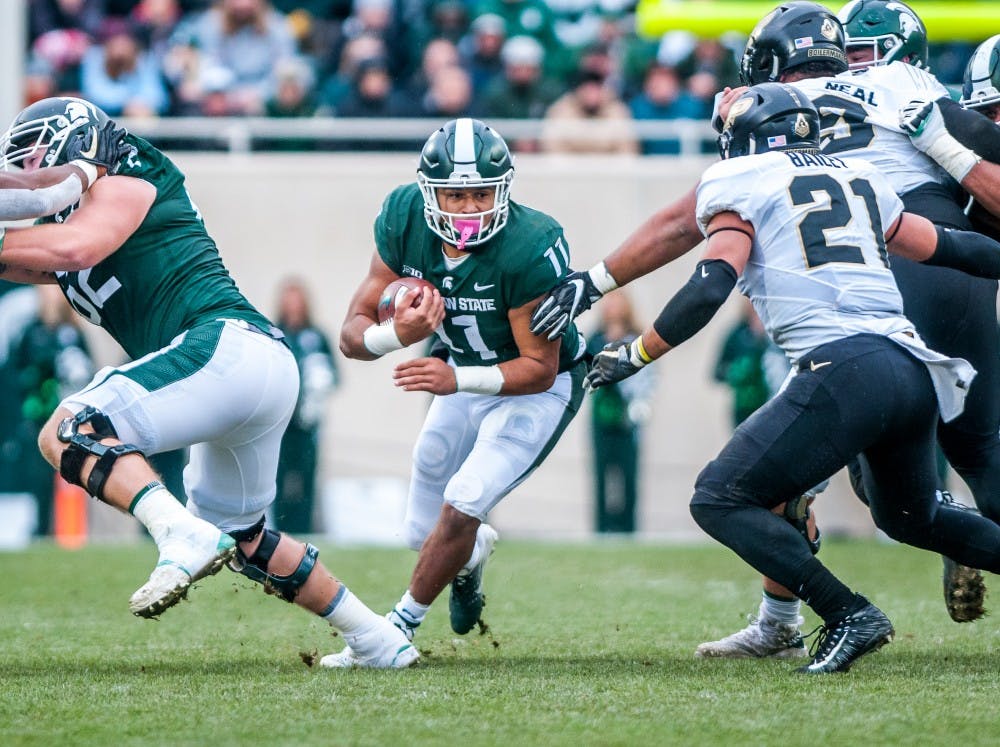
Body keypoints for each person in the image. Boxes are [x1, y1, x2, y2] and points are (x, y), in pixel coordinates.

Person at [530, 0, 1000, 648]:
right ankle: (794, 608)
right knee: (958, 466)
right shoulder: (890, 106)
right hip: (920, 264)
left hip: (859, 325)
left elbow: (699, 256)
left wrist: (615, 313)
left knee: (773, 483)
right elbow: (948, 231)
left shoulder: (758, 141)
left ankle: (834, 607)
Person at [0, 96, 417, 670]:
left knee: (70, 428)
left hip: (224, 348)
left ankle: (178, 533)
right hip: (250, 368)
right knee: (246, 540)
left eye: (33, 160)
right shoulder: (68, 221)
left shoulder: (129, 167)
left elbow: (77, 248)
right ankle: (378, 641)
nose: (27, 176)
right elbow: (34, 257)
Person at [336, 117, 587, 662]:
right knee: (419, 529)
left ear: (504, 189)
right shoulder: (403, 217)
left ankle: (395, 629)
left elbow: (539, 368)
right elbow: (350, 336)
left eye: (481, 193)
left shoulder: (529, 244)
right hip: (464, 372)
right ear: (430, 192)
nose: (470, 208)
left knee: (466, 498)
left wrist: (454, 378)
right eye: (455, 194)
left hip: (537, 387)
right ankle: (469, 558)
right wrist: (393, 336)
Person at [586, 289, 655, 534]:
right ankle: (602, 528)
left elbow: (648, 377)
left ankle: (629, 529)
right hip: (601, 418)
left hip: (628, 418)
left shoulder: (637, 338)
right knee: (601, 474)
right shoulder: (594, 339)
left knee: (628, 473)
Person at [273, 277, 339, 534]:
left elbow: (334, 375)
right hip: (280, 421)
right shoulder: (274, 333)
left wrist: (320, 383)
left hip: (309, 422)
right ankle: (279, 528)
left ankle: (305, 528)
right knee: (278, 475)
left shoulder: (317, 336)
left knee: (306, 475)